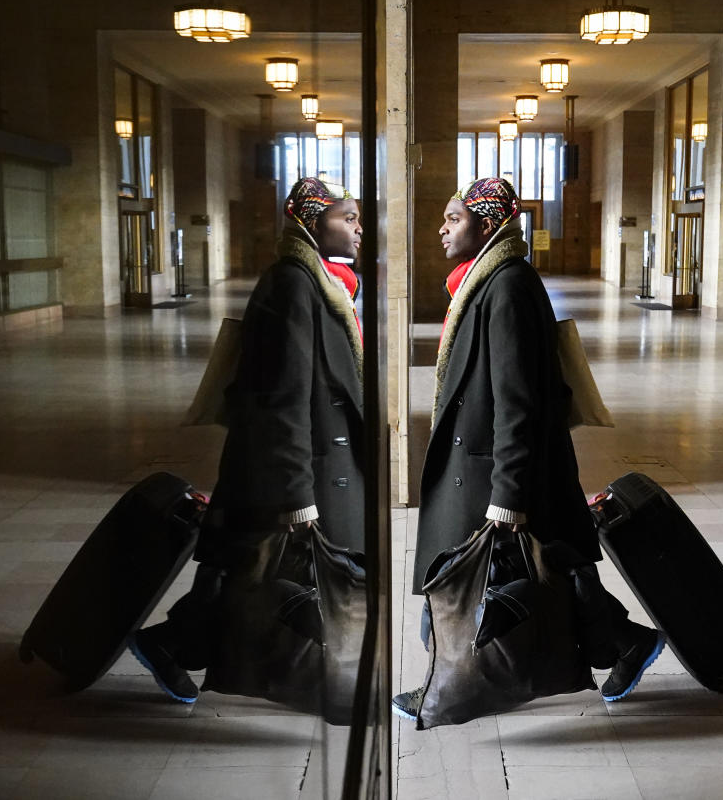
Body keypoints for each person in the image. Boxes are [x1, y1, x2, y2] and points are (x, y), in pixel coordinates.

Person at [393, 177, 663, 719]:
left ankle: (448, 684)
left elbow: (519, 401)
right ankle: (622, 643)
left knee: (463, 580)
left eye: (454, 218)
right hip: (493, 466)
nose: (442, 228)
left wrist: (507, 493)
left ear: (487, 224)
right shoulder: (485, 282)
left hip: (498, 469)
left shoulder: (507, 287)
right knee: (545, 572)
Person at [130, 177, 365, 703]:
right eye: (347, 218)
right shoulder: (293, 284)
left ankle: (176, 644)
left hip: (293, 463)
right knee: (264, 573)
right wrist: (299, 494)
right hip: (283, 467)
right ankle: (309, 682)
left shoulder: (322, 281)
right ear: (311, 221)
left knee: (253, 570)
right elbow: (281, 397)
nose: (358, 228)